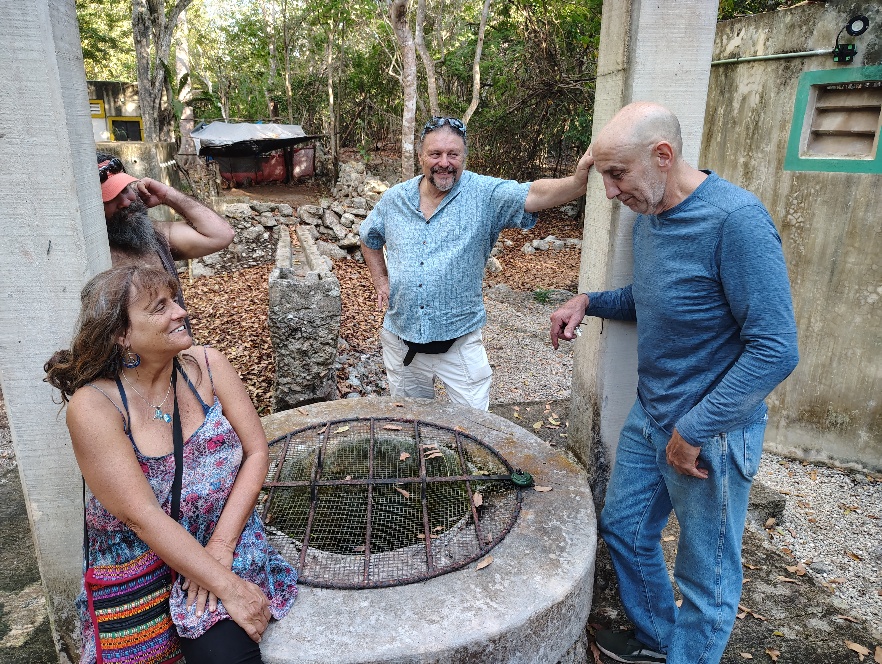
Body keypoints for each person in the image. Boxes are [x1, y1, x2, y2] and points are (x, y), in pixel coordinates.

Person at [550, 102, 798, 664]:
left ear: (663, 155)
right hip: (652, 415)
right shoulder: (651, 213)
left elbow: (776, 348)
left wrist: (694, 429)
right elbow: (654, 299)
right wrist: (589, 301)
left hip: (711, 435)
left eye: (617, 174)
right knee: (624, 529)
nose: (610, 192)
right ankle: (661, 641)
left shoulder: (736, 221)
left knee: (707, 579)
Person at [45, 265, 297, 664]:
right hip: (143, 563)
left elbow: (256, 453)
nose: (180, 311)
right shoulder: (95, 406)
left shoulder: (209, 366)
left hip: (222, 537)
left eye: (175, 300)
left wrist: (222, 547)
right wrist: (227, 586)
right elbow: (141, 516)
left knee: (225, 656)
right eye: (160, 307)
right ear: (122, 334)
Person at [360, 116, 593, 410]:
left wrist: (577, 182)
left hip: (460, 345)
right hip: (401, 342)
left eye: (453, 154)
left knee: (474, 426)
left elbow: (534, 194)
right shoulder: (395, 199)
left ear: (464, 157)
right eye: (435, 154)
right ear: (420, 157)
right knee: (411, 423)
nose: (444, 163)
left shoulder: (485, 194)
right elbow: (368, 237)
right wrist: (381, 281)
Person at [97, 151, 234, 317]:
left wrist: (167, 195)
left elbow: (222, 235)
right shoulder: (92, 259)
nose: (127, 201)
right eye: (111, 198)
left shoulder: (155, 236)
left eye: (125, 189)